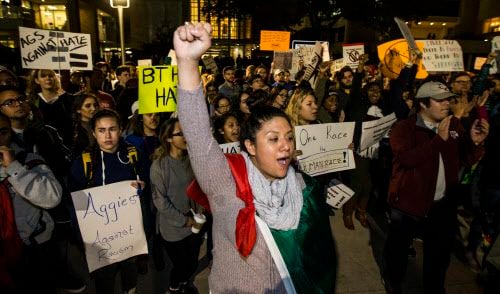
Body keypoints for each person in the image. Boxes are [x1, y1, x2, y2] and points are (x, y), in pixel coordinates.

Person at [174, 22, 336, 293]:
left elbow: (319, 259)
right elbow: (198, 133)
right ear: (250, 146)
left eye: (288, 137)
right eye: (273, 139)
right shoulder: (225, 183)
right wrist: (187, 61)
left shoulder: (304, 189)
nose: (285, 146)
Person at [383, 81, 489, 294]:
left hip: (442, 206)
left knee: (438, 258)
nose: (447, 104)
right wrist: (437, 141)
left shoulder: (454, 126)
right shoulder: (404, 128)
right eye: (440, 100)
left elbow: (465, 160)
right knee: (398, 252)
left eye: (448, 99)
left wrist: (476, 144)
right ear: (423, 104)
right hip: (408, 206)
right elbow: (406, 159)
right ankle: (394, 283)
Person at [69, 109, 146, 294]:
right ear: (94, 133)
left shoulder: (134, 156)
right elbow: (75, 205)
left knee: (130, 277)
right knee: (105, 281)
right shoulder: (83, 163)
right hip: (101, 242)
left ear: (120, 130)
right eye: (101, 130)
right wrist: (83, 239)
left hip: (130, 236)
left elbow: (147, 187)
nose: (107, 135)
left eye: (112, 129)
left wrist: (142, 189)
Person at [0, 113, 63, 293]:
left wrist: (14, 169)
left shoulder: (29, 161)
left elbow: (52, 197)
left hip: (32, 248)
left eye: (3, 132)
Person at [150, 118, 203, 293]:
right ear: (168, 138)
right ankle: (174, 287)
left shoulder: (192, 159)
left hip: (196, 224)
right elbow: (161, 202)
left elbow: (199, 188)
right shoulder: (159, 166)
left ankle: (185, 283)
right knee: (181, 265)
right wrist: (185, 221)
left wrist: (200, 214)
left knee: (192, 262)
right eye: (180, 133)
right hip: (173, 229)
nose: (186, 136)